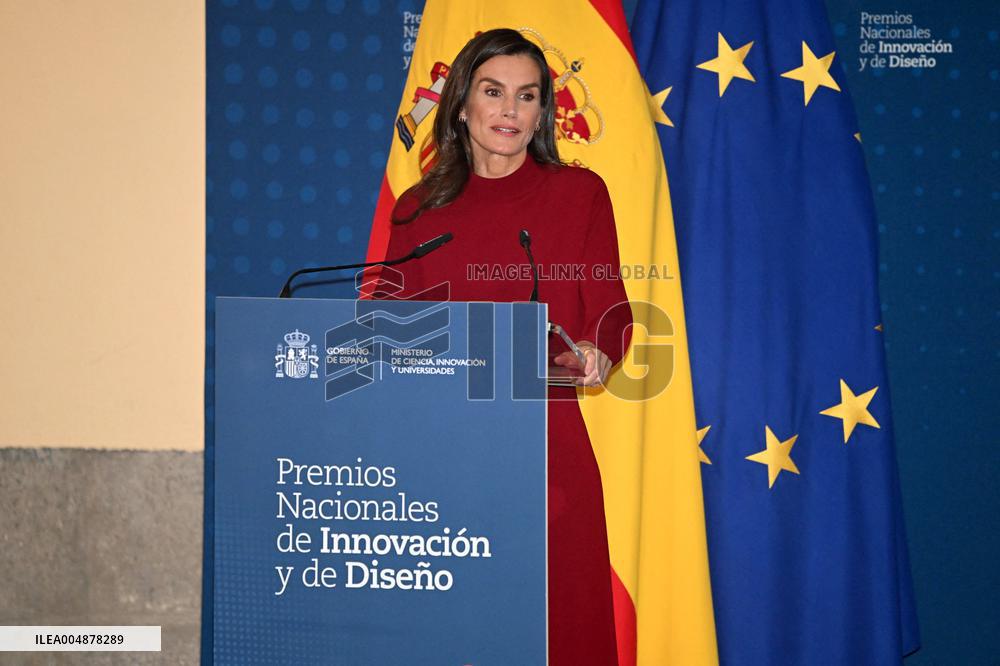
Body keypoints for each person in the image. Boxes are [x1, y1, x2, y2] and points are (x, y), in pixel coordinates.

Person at [378, 28, 632, 666]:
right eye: (493, 92)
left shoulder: (581, 195)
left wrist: (597, 350)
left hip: (548, 454)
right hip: (442, 460)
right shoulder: (417, 210)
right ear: (461, 103)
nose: (510, 111)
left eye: (527, 96)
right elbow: (383, 332)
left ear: (544, 110)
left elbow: (613, 312)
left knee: (559, 635)